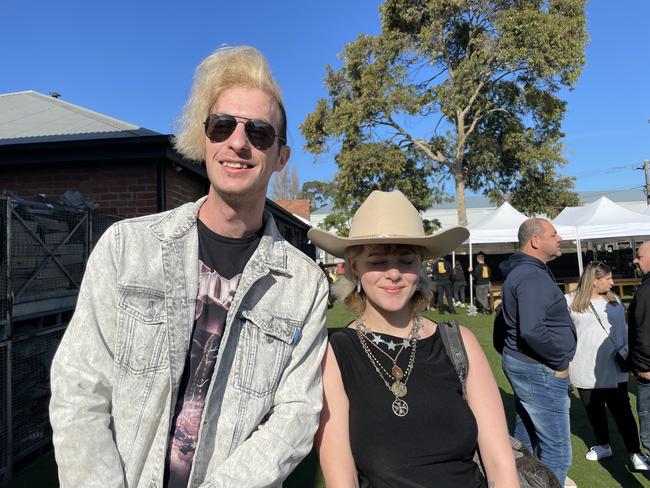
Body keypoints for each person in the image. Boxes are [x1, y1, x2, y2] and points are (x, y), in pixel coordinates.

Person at [49, 46, 329, 487]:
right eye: (223, 126)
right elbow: (78, 389)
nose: (238, 142)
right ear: (205, 138)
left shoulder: (305, 285)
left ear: (280, 157)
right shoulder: (125, 249)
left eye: (259, 133)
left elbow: (295, 417)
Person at [309, 190, 519, 488]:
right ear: (355, 269)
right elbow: (340, 476)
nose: (394, 273)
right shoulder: (335, 354)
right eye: (378, 262)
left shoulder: (459, 342)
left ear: (420, 267)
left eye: (406, 261)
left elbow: (501, 464)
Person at [499, 218, 577, 487]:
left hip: (526, 364)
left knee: (526, 437)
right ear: (535, 241)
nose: (560, 238)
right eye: (554, 234)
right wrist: (560, 362)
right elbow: (531, 330)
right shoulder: (530, 275)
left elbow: (505, 323)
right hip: (539, 368)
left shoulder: (522, 271)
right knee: (558, 450)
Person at [566, 262, 648, 470]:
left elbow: (625, 331)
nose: (612, 282)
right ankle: (603, 445)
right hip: (583, 366)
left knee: (623, 412)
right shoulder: (569, 301)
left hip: (614, 366)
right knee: (594, 411)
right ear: (594, 280)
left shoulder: (615, 302)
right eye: (608, 278)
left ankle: (635, 452)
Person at [629, 241, 650, 457]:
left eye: (640, 256)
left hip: (648, 373)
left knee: (649, 436)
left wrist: (644, 365)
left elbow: (646, 333)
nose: (635, 260)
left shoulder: (647, 291)